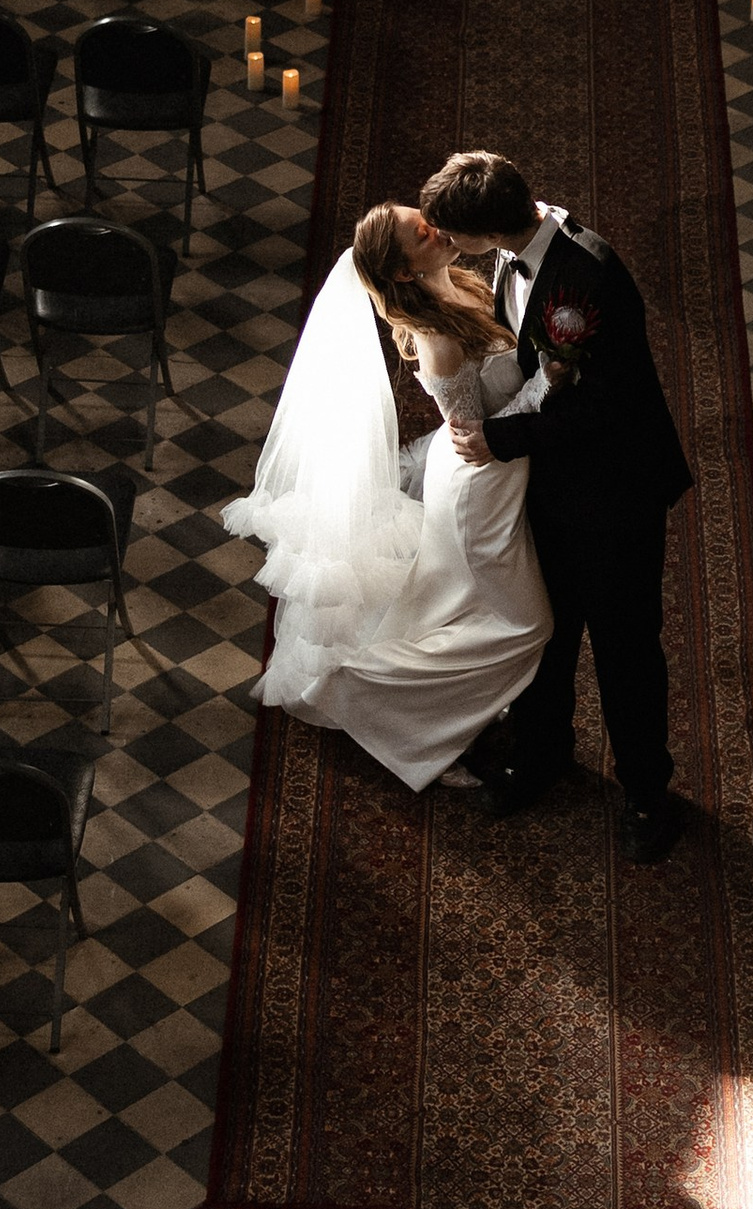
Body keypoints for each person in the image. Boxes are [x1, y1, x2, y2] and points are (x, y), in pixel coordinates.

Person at [421, 144, 693, 864]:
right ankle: (542, 753)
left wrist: (498, 437)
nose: (454, 247)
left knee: (624, 644)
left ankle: (645, 792)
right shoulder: (514, 254)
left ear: (487, 230)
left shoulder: (586, 277)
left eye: (458, 234)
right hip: (549, 482)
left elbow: (605, 405)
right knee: (546, 629)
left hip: (614, 492)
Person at [221, 202, 550, 792]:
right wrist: (550, 381)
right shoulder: (436, 336)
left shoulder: (466, 284)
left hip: (503, 473)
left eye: (426, 217)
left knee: (448, 609)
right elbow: (473, 428)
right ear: (403, 273)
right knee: (524, 624)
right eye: (422, 233)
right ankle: (354, 686)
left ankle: (438, 721)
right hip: (481, 483)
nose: (437, 227)